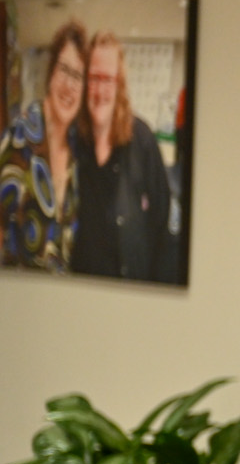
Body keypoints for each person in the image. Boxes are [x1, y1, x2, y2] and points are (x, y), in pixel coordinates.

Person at [71, 30, 179, 283]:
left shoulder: (142, 139)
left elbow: (162, 224)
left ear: (119, 84)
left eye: (107, 79)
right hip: (80, 291)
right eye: (94, 78)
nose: (100, 90)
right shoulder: (73, 140)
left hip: (131, 290)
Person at [0, 20, 87, 271]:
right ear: (51, 71)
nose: (69, 85)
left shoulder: (77, 153)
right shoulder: (20, 136)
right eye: (64, 70)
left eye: (78, 76)